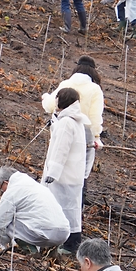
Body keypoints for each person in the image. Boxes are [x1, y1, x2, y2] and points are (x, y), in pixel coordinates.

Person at [42, 56, 105, 205]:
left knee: (58, 160)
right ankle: (76, 203)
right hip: (83, 133)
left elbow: (50, 105)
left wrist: (45, 98)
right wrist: (96, 136)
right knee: (80, 171)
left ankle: (51, 200)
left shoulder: (66, 83)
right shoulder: (95, 89)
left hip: (61, 127)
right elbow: (95, 117)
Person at [42, 88, 90, 255]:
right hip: (73, 175)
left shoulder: (67, 123)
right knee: (72, 209)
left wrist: (52, 173)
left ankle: (67, 244)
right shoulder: (75, 121)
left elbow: (61, 149)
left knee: (61, 209)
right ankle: (71, 243)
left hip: (63, 176)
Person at [0, 166, 69, 253]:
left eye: (1, 186)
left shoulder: (12, 190)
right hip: (63, 233)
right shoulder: (39, 187)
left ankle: (30, 251)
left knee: (7, 221)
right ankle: (51, 252)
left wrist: (3, 244)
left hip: (43, 233)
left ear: (6, 182)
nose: (2, 190)